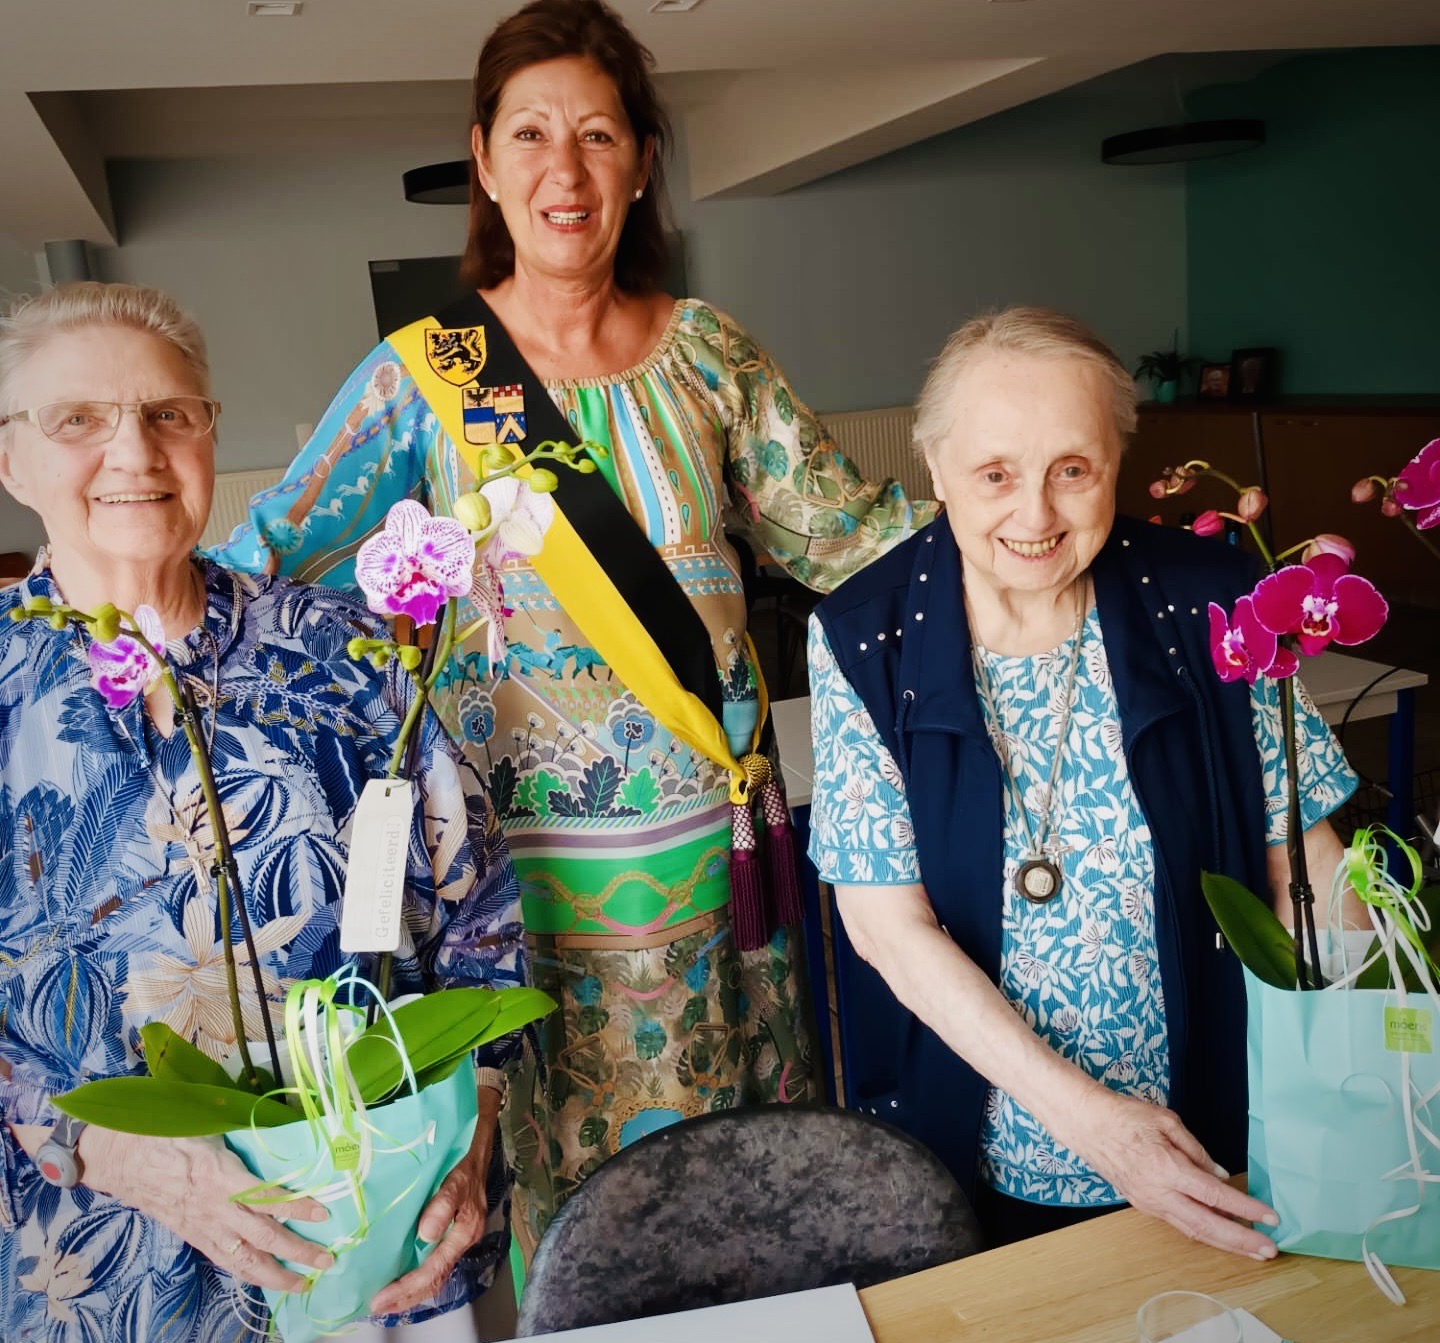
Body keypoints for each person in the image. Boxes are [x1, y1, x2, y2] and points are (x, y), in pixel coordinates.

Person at [213, 0, 933, 1257]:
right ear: (484, 158)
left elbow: (848, 534)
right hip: (530, 893)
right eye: (533, 132)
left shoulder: (709, 354)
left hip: (722, 870)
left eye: (599, 134)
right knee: (595, 1228)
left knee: (754, 1199)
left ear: (642, 161)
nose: (567, 167)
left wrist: (1032, 515)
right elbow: (265, 566)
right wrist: (92, 611)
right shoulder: (424, 376)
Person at [0, 282, 526, 1341]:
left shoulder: (349, 655)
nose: (135, 453)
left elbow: (482, 924)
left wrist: (467, 1142)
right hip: (108, 1271)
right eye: (77, 420)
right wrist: (103, 1148)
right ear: (10, 460)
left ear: (208, 434)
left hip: (387, 1257)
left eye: (167, 413)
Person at [806, 307, 1361, 1256]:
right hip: (988, 1144)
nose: (1037, 515)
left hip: (1231, 1125)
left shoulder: (1214, 600)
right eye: (995, 474)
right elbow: (887, 930)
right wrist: (1099, 1126)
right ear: (933, 465)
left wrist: (1376, 1071)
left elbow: (1309, 869)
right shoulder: (867, 634)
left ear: (1116, 458)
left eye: (1074, 469)